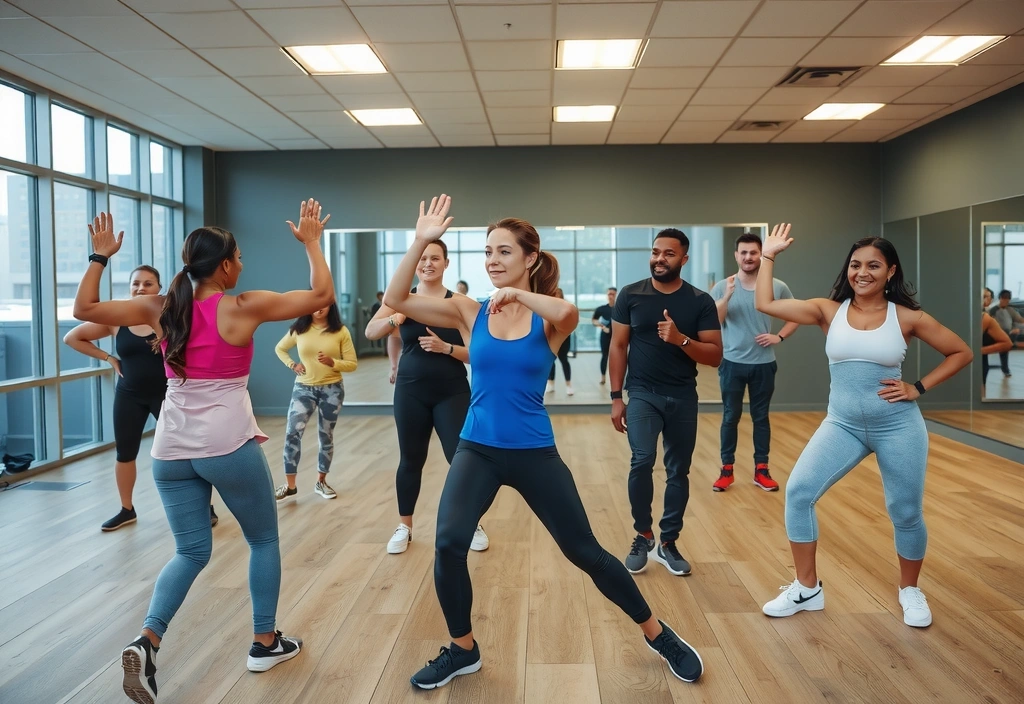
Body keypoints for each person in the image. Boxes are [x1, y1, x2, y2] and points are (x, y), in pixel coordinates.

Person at [386, 195, 704, 690]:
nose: (492, 261)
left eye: (503, 252)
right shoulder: (469, 309)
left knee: (585, 551)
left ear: (530, 258)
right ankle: (463, 649)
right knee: (448, 544)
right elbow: (397, 300)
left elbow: (568, 312)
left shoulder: (548, 320)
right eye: (488, 253)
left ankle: (657, 634)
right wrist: (421, 242)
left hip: (534, 452)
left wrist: (521, 296)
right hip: (478, 448)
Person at [73, 199, 333, 704]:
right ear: (225, 265)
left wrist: (99, 258)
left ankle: (147, 641)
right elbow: (321, 292)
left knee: (190, 551)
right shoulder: (244, 305)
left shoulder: (159, 308)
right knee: (262, 541)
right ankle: (264, 642)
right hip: (227, 444)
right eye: (238, 258)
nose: (243, 266)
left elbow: (84, 311)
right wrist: (311, 243)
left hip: (169, 450)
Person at [754, 225, 971, 629]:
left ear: (891, 271)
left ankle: (910, 590)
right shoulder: (827, 310)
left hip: (897, 427)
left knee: (904, 511)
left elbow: (961, 351)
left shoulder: (907, 316)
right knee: (799, 493)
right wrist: (769, 256)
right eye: (855, 265)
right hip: (843, 424)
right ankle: (807, 588)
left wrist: (917, 387)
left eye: (873, 265)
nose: (862, 272)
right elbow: (765, 303)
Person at [64, 266, 219, 532]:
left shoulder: (168, 317)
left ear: (158, 288)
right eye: (136, 283)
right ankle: (127, 509)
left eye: (148, 284)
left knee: (187, 452)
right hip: (129, 395)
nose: (140, 288)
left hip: (168, 395)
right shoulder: (116, 320)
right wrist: (109, 358)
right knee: (125, 454)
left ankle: (205, 507)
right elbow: (73, 337)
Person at [609, 229, 722, 578]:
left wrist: (680, 339)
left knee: (678, 471)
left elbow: (715, 356)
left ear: (683, 259)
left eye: (669, 254)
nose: (660, 258)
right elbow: (618, 346)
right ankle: (643, 534)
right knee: (642, 459)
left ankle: (668, 542)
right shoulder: (631, 295)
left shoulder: (700, 301)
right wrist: (616, 398)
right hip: (643, 392)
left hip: (684, 396)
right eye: (656, 252)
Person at [365, 240, 489, 555]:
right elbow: (371, 332)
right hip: (411, 391)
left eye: (435, 258)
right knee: (410, 460)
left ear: (446, 263)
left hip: (452, 391)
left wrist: (446, 348)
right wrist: (396, 319)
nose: (428, 263)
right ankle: (404, 526)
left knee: (461, 460)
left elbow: (478, 354)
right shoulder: (401, 300)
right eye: (422, 258)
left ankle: (471, 522)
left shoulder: (460, 303)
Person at [709, 233, 799, 493]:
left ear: (761, 255)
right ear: (736, 256)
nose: (748, 257)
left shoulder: (776, 285)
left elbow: (796, 315)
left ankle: (762, 470)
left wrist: (779, 336)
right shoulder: (723, 286)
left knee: (761, 417)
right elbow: (715, 321)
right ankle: (727, 470)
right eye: (743, 253)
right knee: (730, 417)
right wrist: (726, 296)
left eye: (753, 252)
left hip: (763, 364)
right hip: (731, 364)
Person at [274, 302, 357, 502]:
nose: (319, 309)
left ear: (331, 307)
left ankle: (321, 481)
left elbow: (352, 364)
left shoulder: (340, 331)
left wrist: (333, 362)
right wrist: (292, 364)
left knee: (325, 434)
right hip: (303, 388)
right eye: (314, 304)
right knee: (292, 433)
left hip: (332, 389)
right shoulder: (299, 329)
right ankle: (290, 486)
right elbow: (280, 348)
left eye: (324, 305)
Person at [545, 287, 574, 396]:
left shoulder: (566, 306)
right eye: (554, 293)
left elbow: (570, 321)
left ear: (561, 295)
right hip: (552, 336)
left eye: (558, 293)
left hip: (564, 337)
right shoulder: (548, 306)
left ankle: (569, 385)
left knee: (564, 359)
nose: (556, 295)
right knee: (551, 360)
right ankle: (551, 383)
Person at [988, 289, 1024, 376]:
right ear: (1000, 298)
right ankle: (1011, 344)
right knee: (1005, 344)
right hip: (996, 333)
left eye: (1007, 299)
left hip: (1008, 333)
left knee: (1016, 329)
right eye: (1004, 298)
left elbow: (1019, 320)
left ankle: (1011, 343)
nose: (1005, 301)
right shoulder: (993, 310)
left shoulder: (1010, 310)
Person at [981, 287, 1012, 385]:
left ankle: (1005, 370)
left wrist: (980, 351)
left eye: (986, 297)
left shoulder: (986, 318)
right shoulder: (992, 311)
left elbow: (1007, 343)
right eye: (982, 296)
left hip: (979, 362)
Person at [592, 287, 616, 385]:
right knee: (604, 356)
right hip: (605, 336)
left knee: (617, 357)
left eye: (613, 294)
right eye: (609, 294)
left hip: (616, 336)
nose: (611, 296)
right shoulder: (601, 309)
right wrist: (602, 326)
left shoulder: (619, 309)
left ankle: (616, 379)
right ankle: (603, 378)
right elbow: (594, 320)